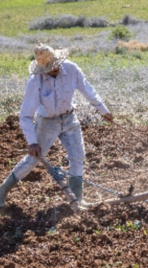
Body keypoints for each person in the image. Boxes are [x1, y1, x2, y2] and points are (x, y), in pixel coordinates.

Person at [0, 44, 113, 214]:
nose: (52, 71)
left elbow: (88, 90)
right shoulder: (35, 81)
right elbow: (25, 116)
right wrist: (32, 142)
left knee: (78, 157)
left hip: (69, 118)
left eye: (53, 67)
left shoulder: (72, 69)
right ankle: (2, 191)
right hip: (47, 123)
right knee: (32, 160)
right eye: (47, 69)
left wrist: (103, 110)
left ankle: (77, 199)